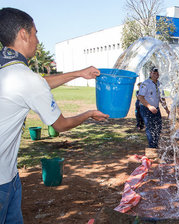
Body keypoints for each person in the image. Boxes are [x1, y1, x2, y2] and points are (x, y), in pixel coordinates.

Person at [0, 8, 109, 223]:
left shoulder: (8, 70)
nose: (38, 41)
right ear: (23, 34)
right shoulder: (26, 79)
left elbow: (38, 84)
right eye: (35, 33)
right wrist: (88, 114)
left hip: (9, 174)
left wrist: (78, 73)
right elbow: (60, 125)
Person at [138, 67, 170, 148]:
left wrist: (167, 110)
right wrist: (149, 106)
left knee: (158, 127)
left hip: (156, 108)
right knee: (150, 127)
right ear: (150, 73)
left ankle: (155, 143)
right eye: (154, 73)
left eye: (157, 73)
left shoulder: (159, 84)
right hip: (146, 109)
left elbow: (161, 98)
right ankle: (152, 146)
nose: (156, 75)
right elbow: (140, 97)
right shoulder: (145, 84)